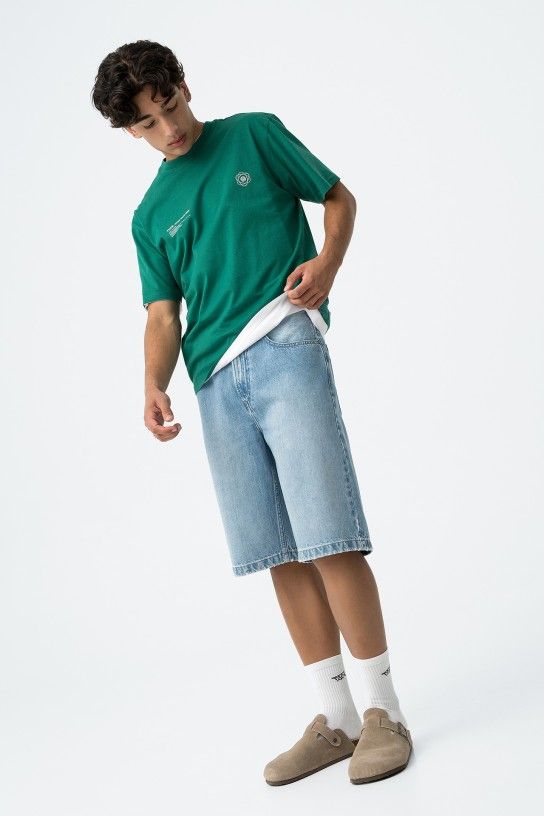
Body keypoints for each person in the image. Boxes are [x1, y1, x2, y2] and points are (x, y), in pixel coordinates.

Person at [92, 39, 413, 786]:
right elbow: (163, 314)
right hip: (213, 383)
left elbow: (338, 197)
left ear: (183, 85)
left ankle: (384, 712)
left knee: (329, 535)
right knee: (278, 552)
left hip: (283, 342)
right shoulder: (149, 216)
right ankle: (335, 718)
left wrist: (327, 264)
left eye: (169, 104)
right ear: (130, 133)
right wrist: (153, 383)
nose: (168, 128)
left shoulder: (254, 135)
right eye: (147, 123)